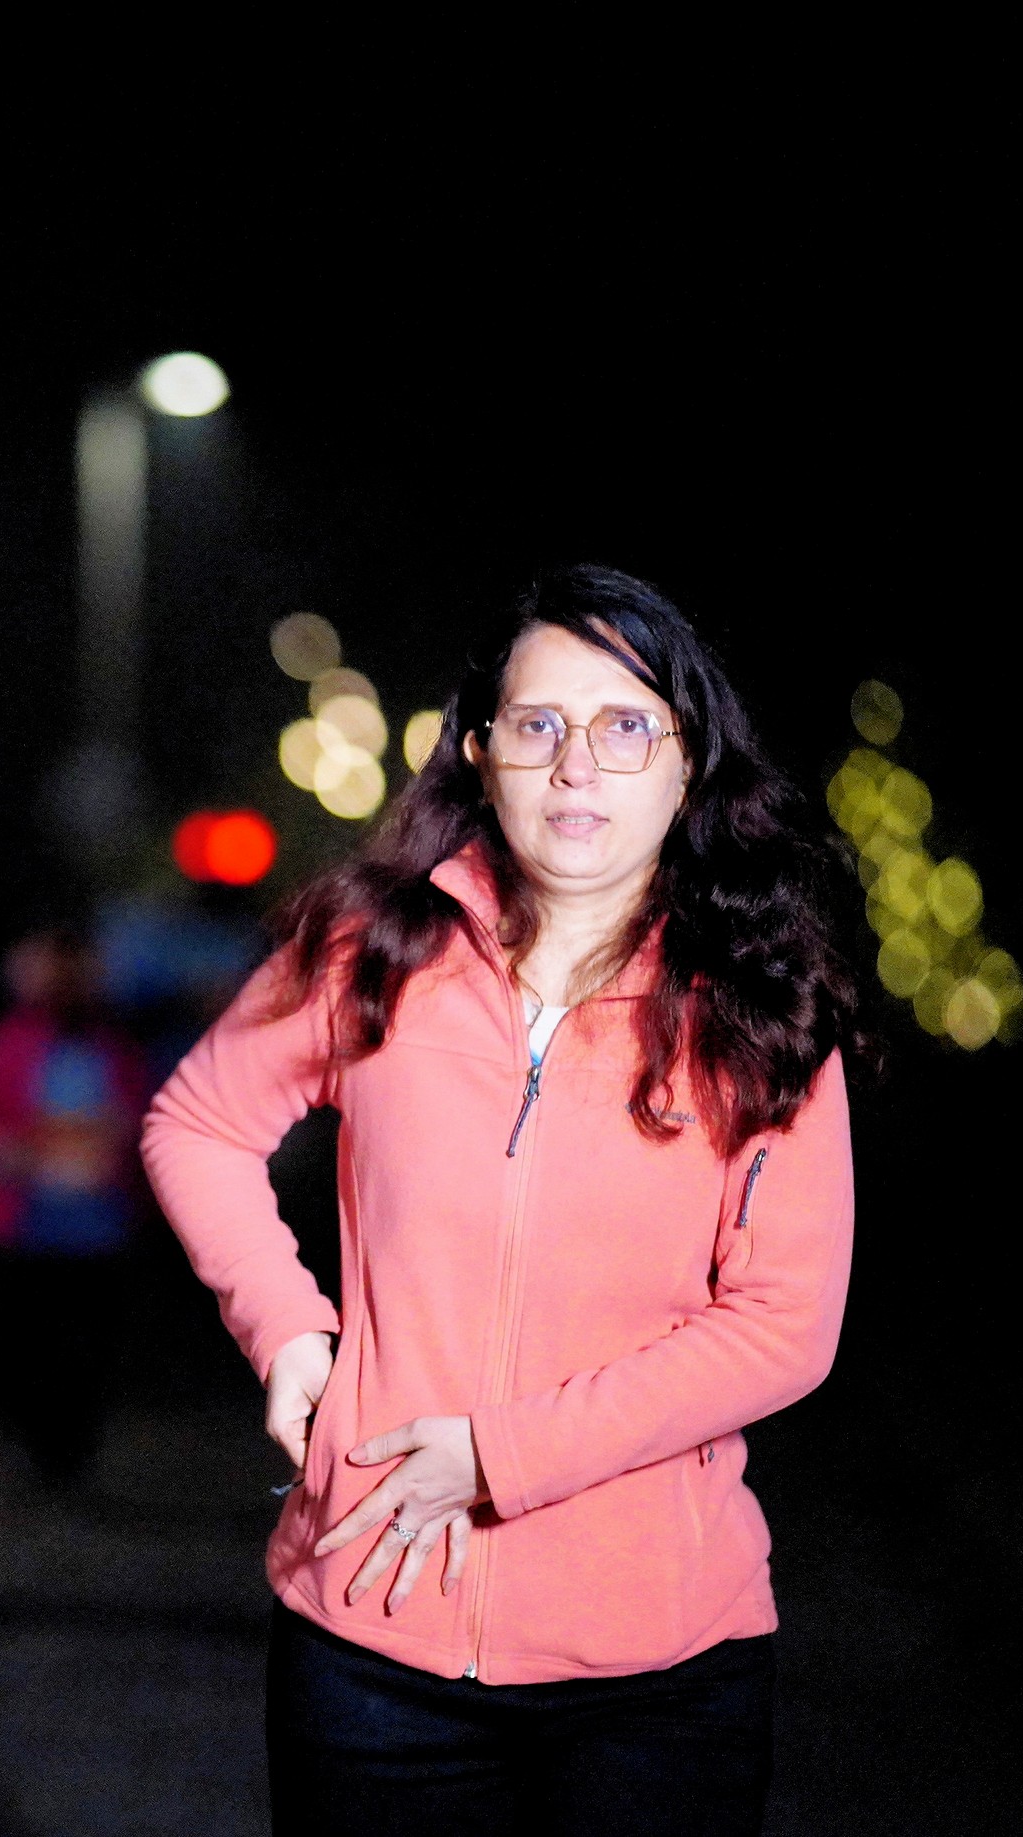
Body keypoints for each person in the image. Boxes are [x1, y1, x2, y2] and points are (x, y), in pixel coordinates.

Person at [143, 566, 862, 1835]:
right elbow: (196, 1122)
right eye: (537, 724)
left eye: (625, 725)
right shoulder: (374, 948)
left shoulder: (761, 1004)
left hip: (658, 1679)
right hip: (369, 1639)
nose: (577, 765)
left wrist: (496, 1459)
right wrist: (287, 1328)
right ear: (479, 754)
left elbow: (781, 1325)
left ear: (687, 764)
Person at [0, 926, 153, 1482]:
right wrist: (16, 1153)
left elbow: (145, 1119)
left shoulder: (115, 1047)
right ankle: (41, 1452)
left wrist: (114, 1145)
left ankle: (73, 1455)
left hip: (101, 1229)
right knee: (30, 1347)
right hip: (27, 1228)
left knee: (91, 1349)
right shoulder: (6, 1043)